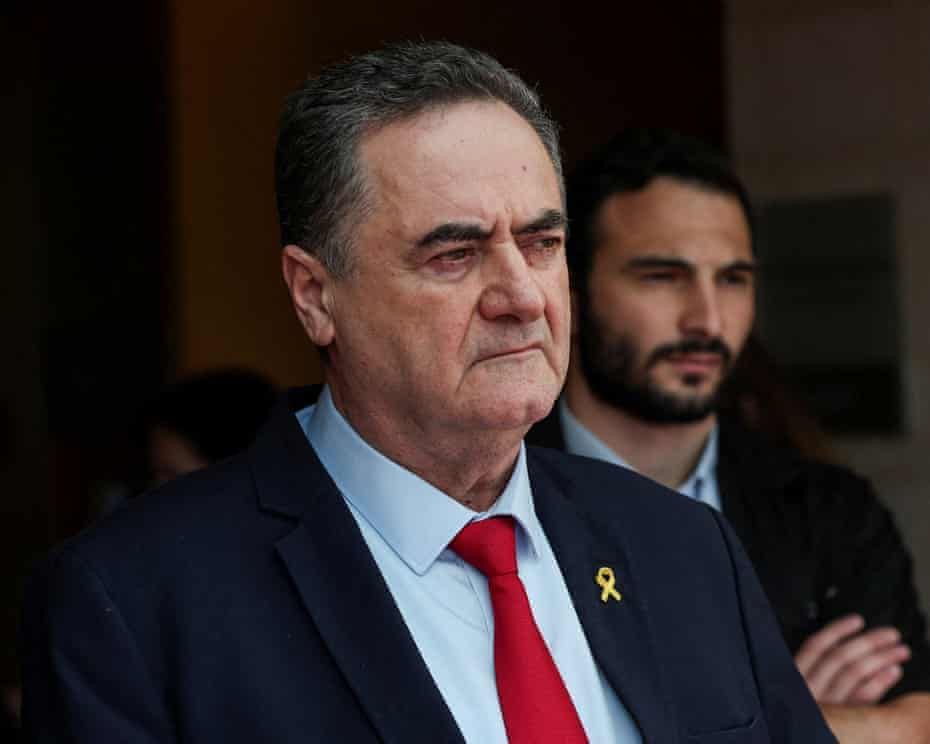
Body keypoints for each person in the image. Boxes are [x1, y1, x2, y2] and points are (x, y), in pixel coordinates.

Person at [22, 44, 833, 742]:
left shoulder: (685, 548)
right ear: (314, 295)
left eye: (542, 243)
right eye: (455, 254)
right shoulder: (134, 600)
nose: (522, 294)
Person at [527, 127, 930, 742]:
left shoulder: (830, 513)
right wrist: (786, 718)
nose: (707, 320)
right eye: (662, 276)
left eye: (733, 279)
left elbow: (913, 725)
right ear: (571, 292)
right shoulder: (494, 497)